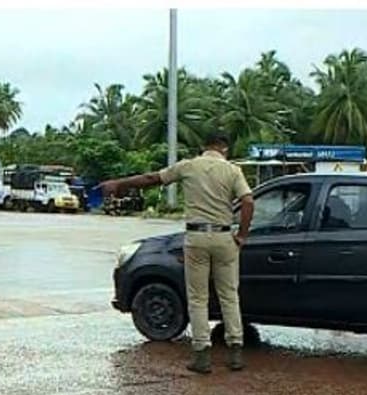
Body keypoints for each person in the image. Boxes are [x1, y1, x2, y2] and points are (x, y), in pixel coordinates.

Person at [99, 132, 254, 374]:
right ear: (224, 148)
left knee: (198, 298)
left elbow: (152, 178)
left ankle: (202, 355)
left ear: (205, 147)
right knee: (229, 295)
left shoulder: (188, 167)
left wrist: (120, 184)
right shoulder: (233, 171)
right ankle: (235, 352)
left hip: (196, 237)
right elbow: (248, 201)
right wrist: (242, 235)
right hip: (224, 237)